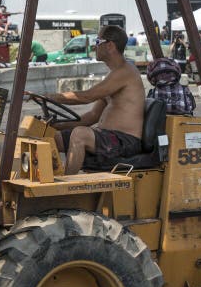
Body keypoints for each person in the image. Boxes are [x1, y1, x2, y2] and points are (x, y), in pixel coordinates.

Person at [32, 26, 145, 175]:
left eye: (97, 41)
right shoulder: (113, 76)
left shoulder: (126, 72)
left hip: (125, 142)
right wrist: (57, 125)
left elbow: (87, 96)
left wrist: (51, 96)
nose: (94, 46)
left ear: (110, 45)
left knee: (80, 135)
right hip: (107, 138)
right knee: (51, 139)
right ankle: (43, 180)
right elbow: (91, 117)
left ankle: (67, 186)